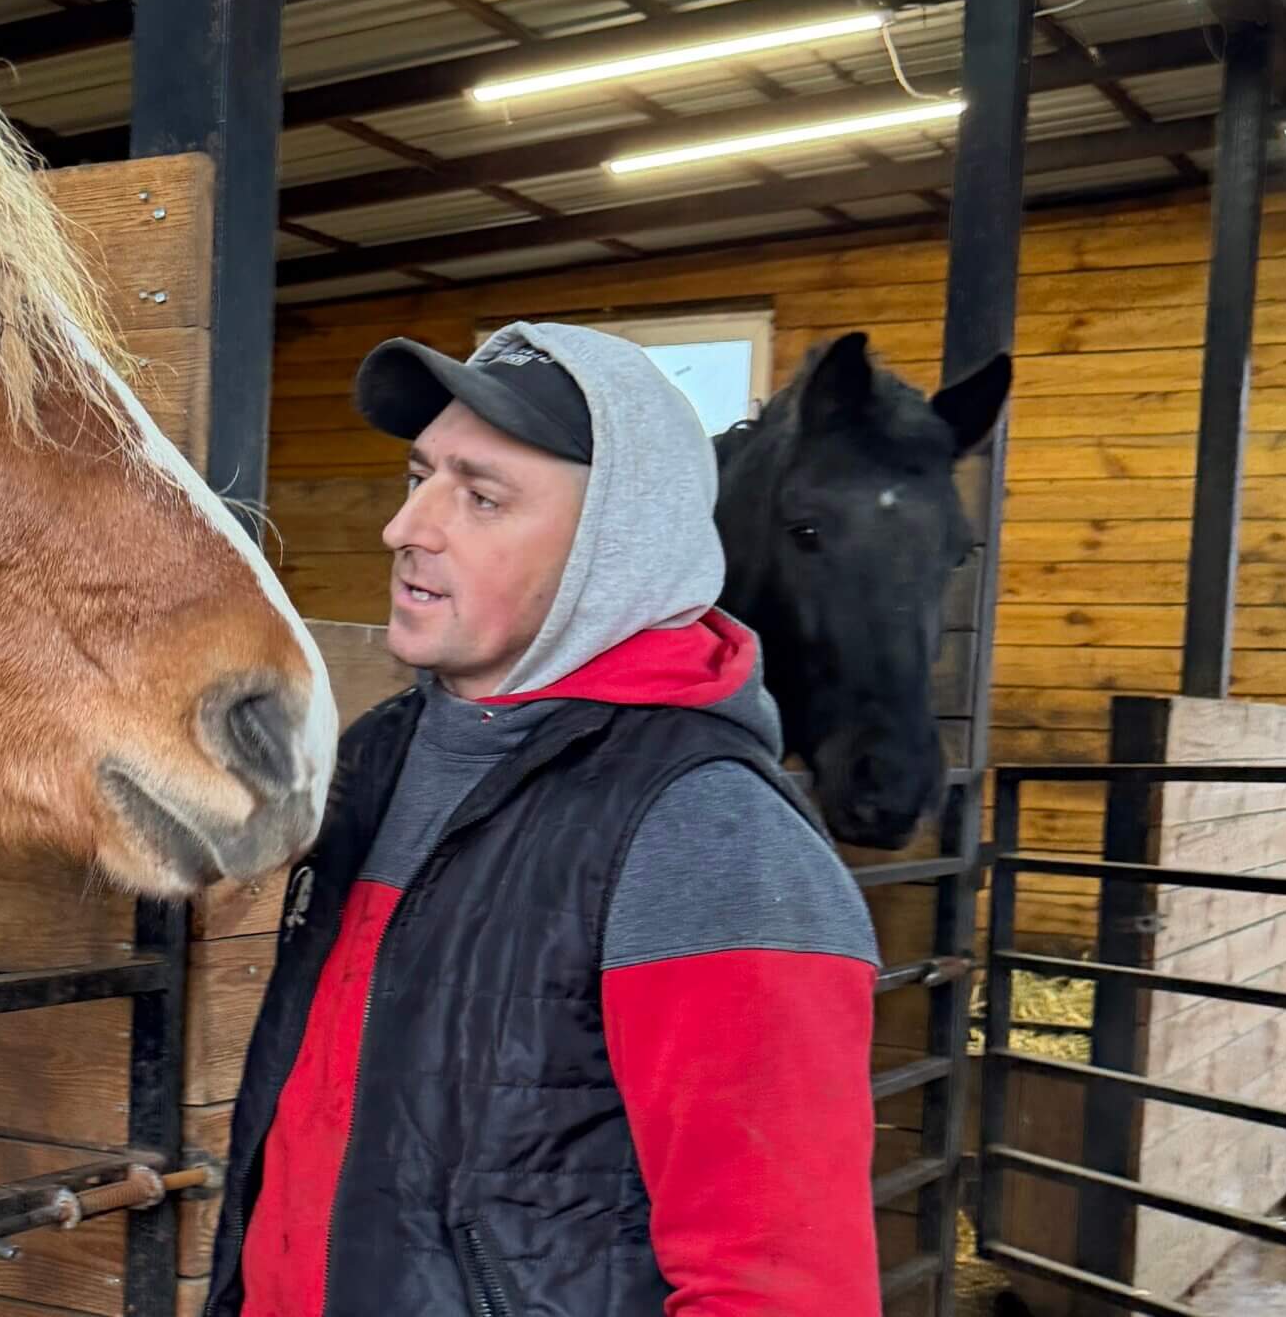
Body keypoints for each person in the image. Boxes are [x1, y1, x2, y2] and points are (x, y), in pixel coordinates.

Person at [202, 322, 883, 1317]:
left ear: (614, 551)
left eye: (480, 497)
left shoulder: (710, 837)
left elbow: (779, 1286)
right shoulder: (379, 757)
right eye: (417, 476)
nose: (407, 529)